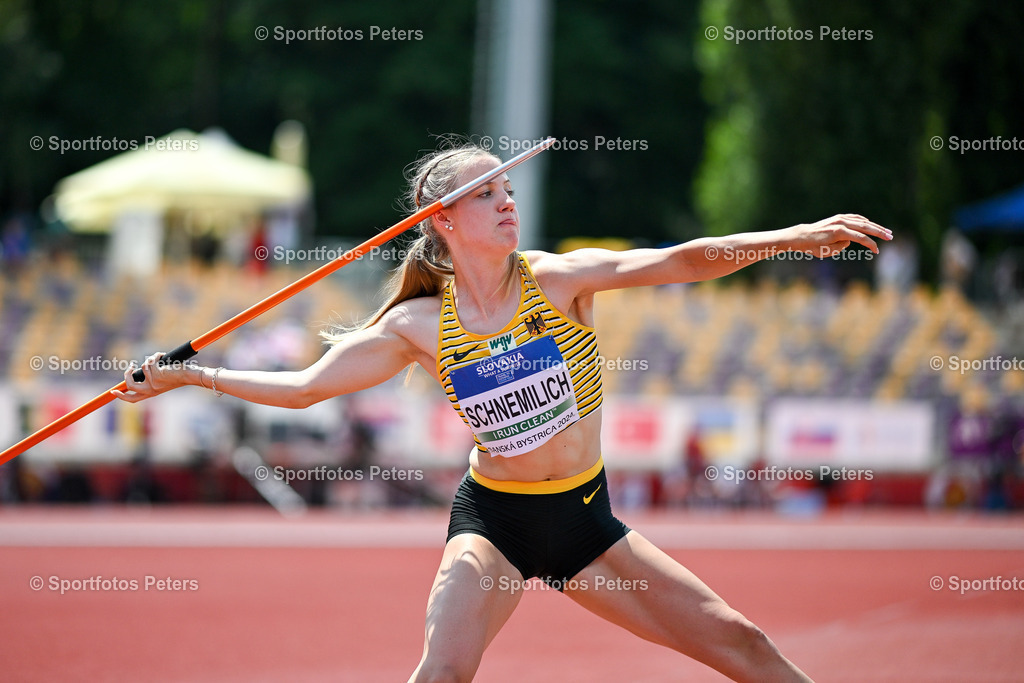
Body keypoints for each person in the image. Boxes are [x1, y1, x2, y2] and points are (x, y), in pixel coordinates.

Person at [112, 140, 891, 682]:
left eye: (508, 188)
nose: (507, 203)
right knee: (444, 671)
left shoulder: (558, 279)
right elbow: (307, 387)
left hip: (587, 523)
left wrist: (794, 236)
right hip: (496, 525)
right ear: (443, 221)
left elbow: (681, 260)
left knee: (740, 641)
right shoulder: (417, 326)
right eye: (486, 194)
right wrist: (189, 376)